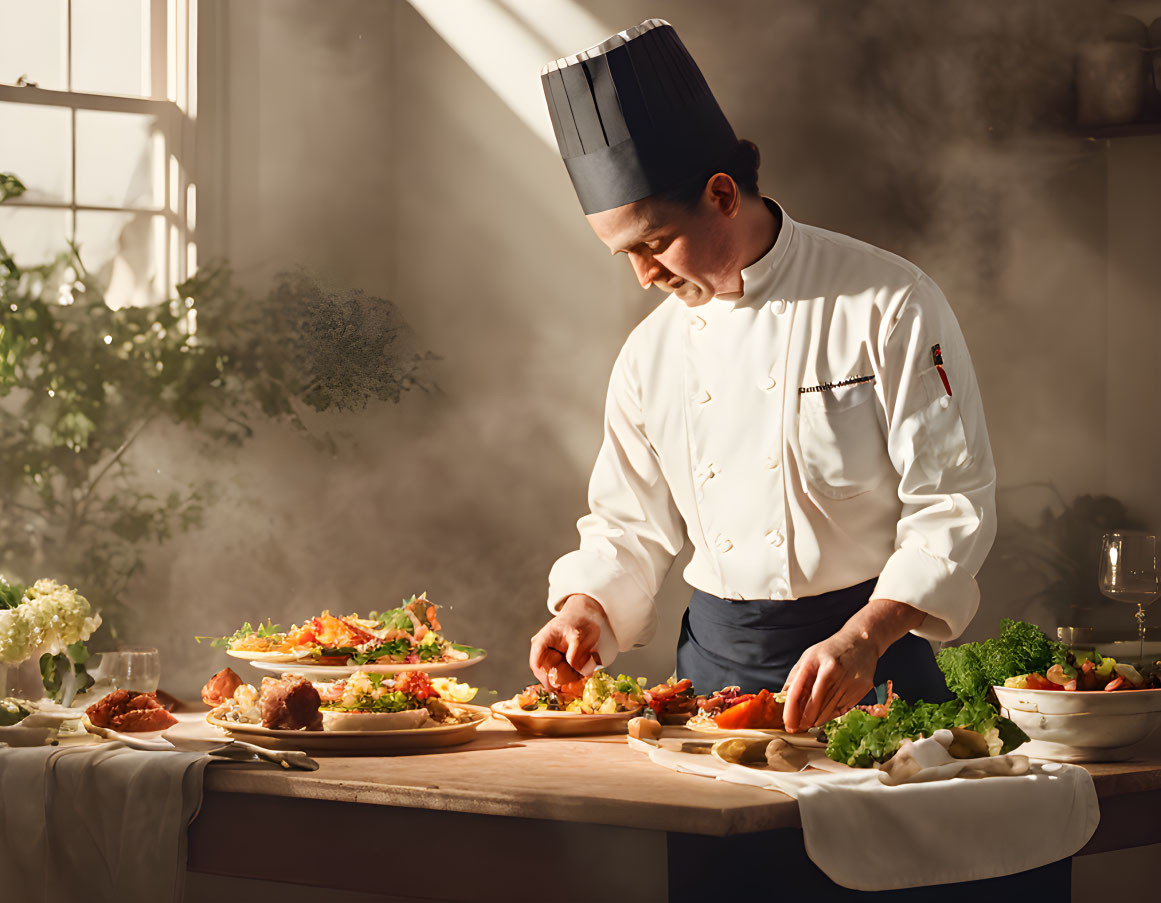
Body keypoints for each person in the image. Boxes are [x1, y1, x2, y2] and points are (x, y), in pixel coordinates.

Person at [529, 19, 996, 732]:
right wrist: (586, 607)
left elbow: (949, 502)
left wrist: (865, 636)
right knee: (726, 848)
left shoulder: (886, 302)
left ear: (721, 194)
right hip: (714, 677)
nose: (644, 274)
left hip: (868, 662)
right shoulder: (648, 354)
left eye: (654, 243)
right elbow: (629, 525)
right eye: (623, 253)